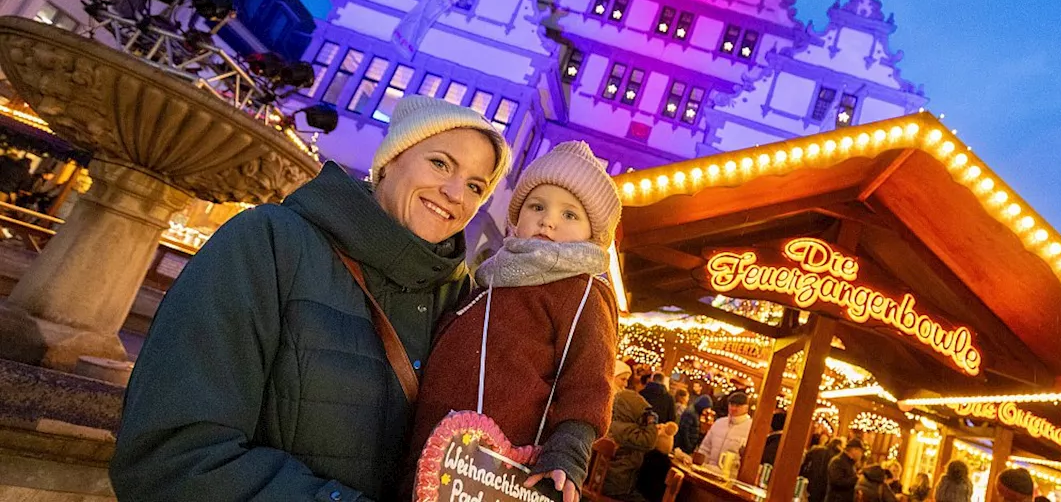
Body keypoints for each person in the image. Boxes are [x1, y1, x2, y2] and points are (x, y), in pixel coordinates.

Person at [110, 97, 513, 501]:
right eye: (440, 163)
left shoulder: (464, 301)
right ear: (391, 160)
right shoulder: (269, 243)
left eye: (477, 186)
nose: (455, 192)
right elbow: (171, 454)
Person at [409, 140, 622, 502]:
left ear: (593, 235)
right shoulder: (488, 281)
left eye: (570, 215)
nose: (549, 220)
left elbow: (589, 382)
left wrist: (568, 452)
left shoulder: (581, 291)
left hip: (502, 475)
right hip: (433, 457)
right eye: (537, 206)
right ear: (517, 216)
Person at [604, 360, 667, 502]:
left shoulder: (610, 414)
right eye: (623, 379)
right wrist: (650, 418)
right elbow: (649, 441)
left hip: (604, 480)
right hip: (615, 487)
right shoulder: (620, 421)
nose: (625, 385)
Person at [696, 391, 752, 465]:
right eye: (731, 404)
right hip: (708, 470)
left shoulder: (750, 428)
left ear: (746, 407)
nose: (733, 408)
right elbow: (705, 448)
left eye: (738, 406)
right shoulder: (719, 423)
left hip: (730, 475)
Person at [802, 436, 843, 502]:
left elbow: (806, 458)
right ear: (838, 446)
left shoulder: (817, 449)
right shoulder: (835, 458)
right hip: (823, 484)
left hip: (811, 478)